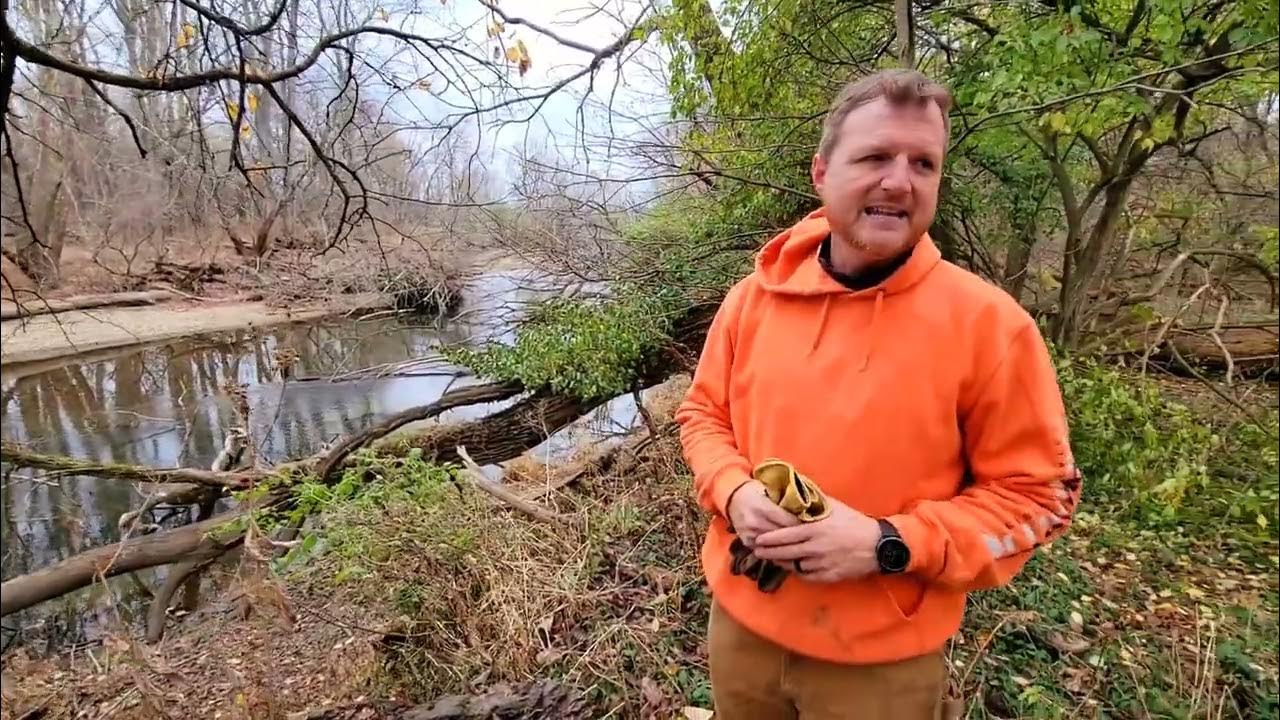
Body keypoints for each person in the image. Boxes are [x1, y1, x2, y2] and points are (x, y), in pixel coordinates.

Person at [673, 68, 1083, 719]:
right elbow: (702, 415)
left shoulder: (990, 327)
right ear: (821, 174)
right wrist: (735, 491)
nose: (900, 180)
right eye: (875, 157)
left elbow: (1039, 501)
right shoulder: (752, 300)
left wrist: (886, 543)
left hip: (881, 667)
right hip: (741, 628)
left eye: (924, 162)